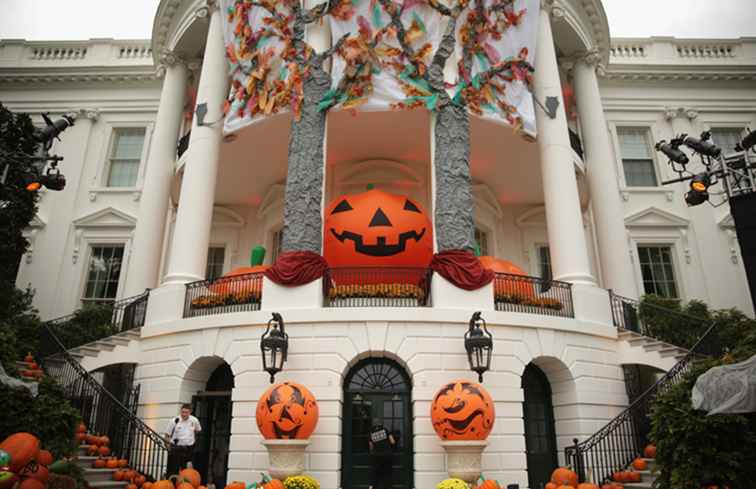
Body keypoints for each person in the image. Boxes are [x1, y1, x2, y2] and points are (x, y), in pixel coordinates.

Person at [164, 404, 202, 476]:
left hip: (189, 449)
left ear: (190, 412)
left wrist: (191, 439)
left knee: (187, 471)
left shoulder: (194, 420)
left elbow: (198, 430)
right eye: (182, 412)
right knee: (173, 470)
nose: (184, 414)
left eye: (186, 412)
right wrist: (168, 447)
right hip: (176, 448)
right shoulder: (174, 421)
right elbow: (167, 435)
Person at [368, 422, 395, 489]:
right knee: (387, 473)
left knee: (375, 473)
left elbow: (371, 447)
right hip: (387, 454)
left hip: (376, 455)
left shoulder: (371, 433)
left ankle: (371, 487)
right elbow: (392, 441)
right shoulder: (386, 430)